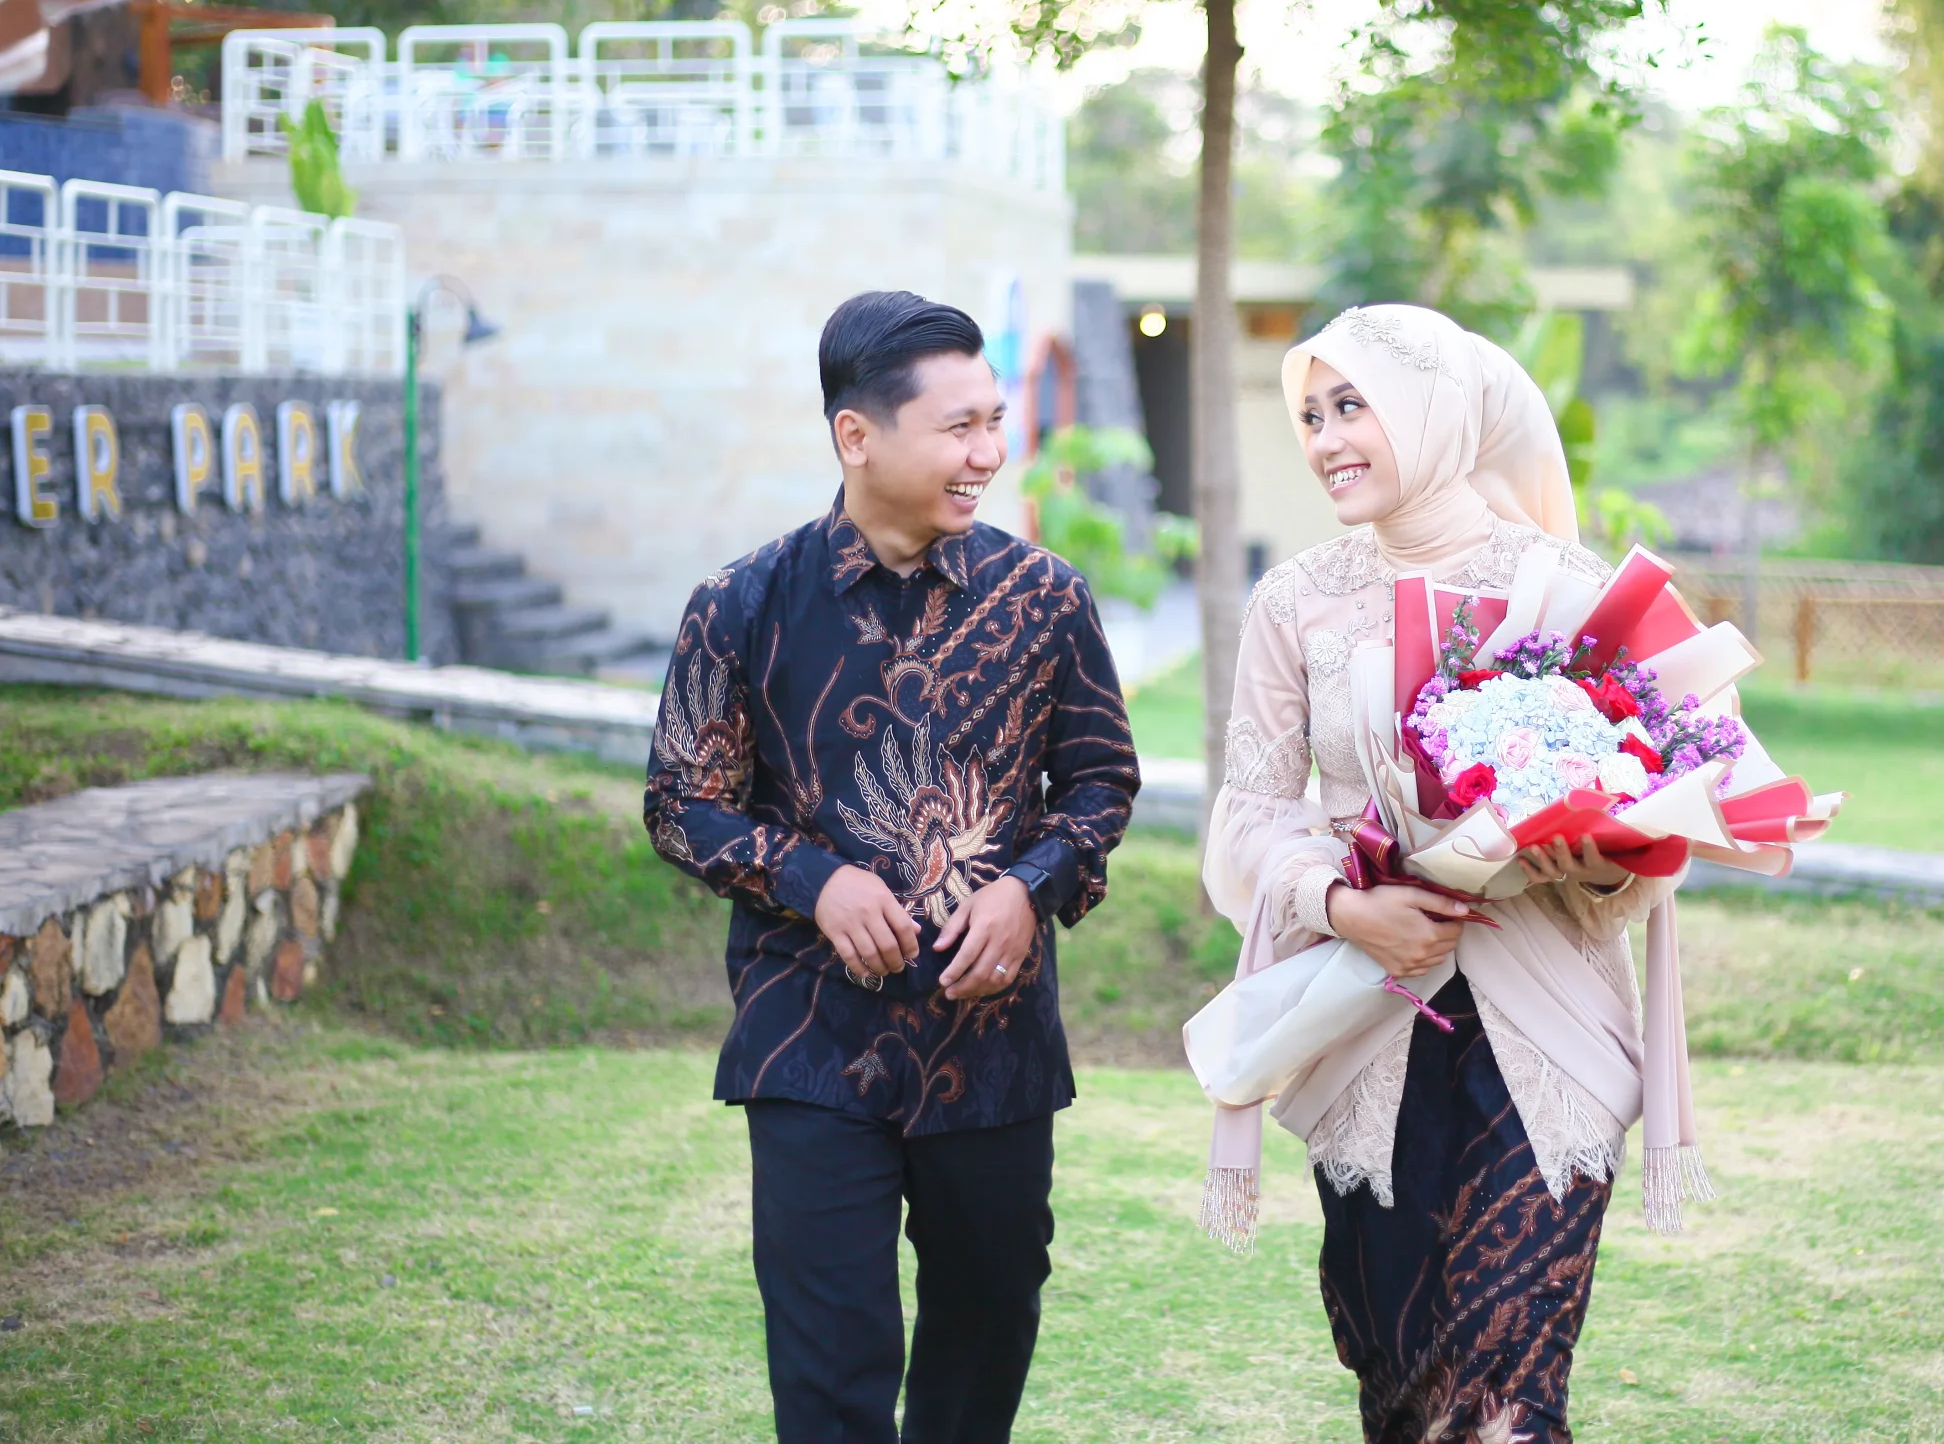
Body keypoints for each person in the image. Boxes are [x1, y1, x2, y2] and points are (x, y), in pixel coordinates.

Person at [1197, 303, 1710, 1444]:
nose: (1326, 438)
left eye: (1352, 406)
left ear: (1431, 410)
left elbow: (1658, 812)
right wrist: (1343, 903)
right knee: (1401, 1392)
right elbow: (1251, 812)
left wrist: (1597, 862)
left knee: (1504, 1403)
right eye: (1311, 415)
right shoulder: (1294, 600)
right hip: (1365, 1022)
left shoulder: (1570, 587)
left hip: (1549, 1025)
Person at [643, 289, 1140, 1444]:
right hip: (809, 1038)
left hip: (994, 1042)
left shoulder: (1045, 600)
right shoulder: (742, 604)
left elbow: (1101, 784)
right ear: (856, 435)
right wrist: (813, 880)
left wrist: (1028, 889)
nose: (988, 453)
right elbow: (681, 802)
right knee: (828, 1358)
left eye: (993, 421)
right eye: (958, 428)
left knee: (989, 1318)